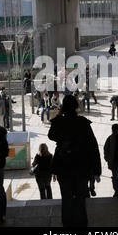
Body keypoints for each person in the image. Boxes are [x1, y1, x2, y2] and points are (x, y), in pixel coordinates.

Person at [48, 95, 102, 227]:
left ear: (63, 107)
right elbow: (92, 147)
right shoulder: (83, 123)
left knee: (66, 200)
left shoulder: (59, 123)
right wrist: (96, 170)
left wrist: (59, 116)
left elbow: (51, 135)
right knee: (80, 201)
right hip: (81, 168)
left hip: (63, 167)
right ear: (77, 106)